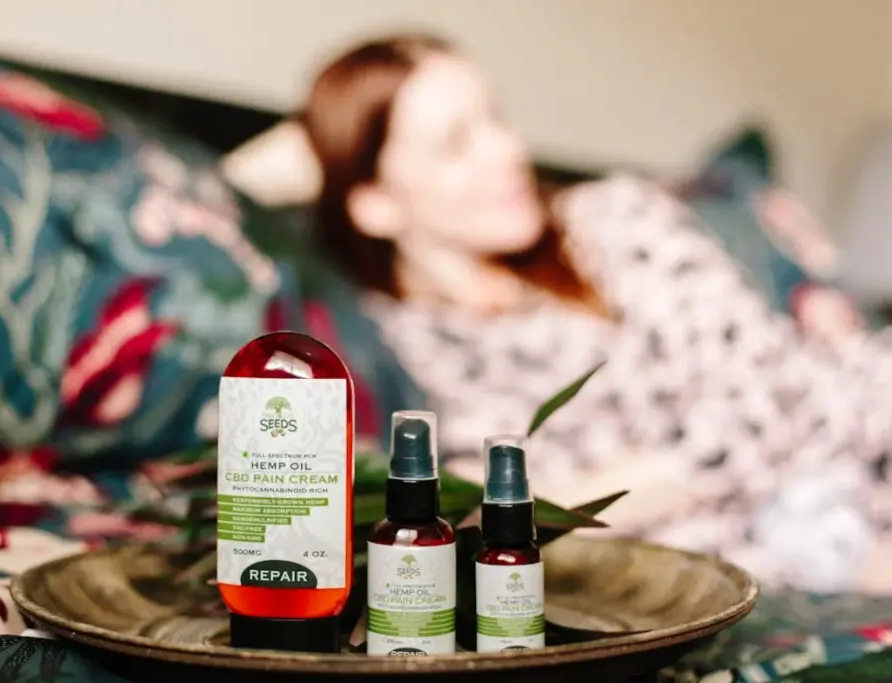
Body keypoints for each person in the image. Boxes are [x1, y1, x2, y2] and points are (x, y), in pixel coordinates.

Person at [301, 33, 892, 592]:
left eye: (496, 118)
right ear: (375, 204)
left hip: (858, 428)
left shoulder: (613, 217)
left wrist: (596, 493)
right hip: (780, 538)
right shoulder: (408, 352)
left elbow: (769, 398)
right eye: (457, 142)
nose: (507, 150)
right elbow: (523, 527)